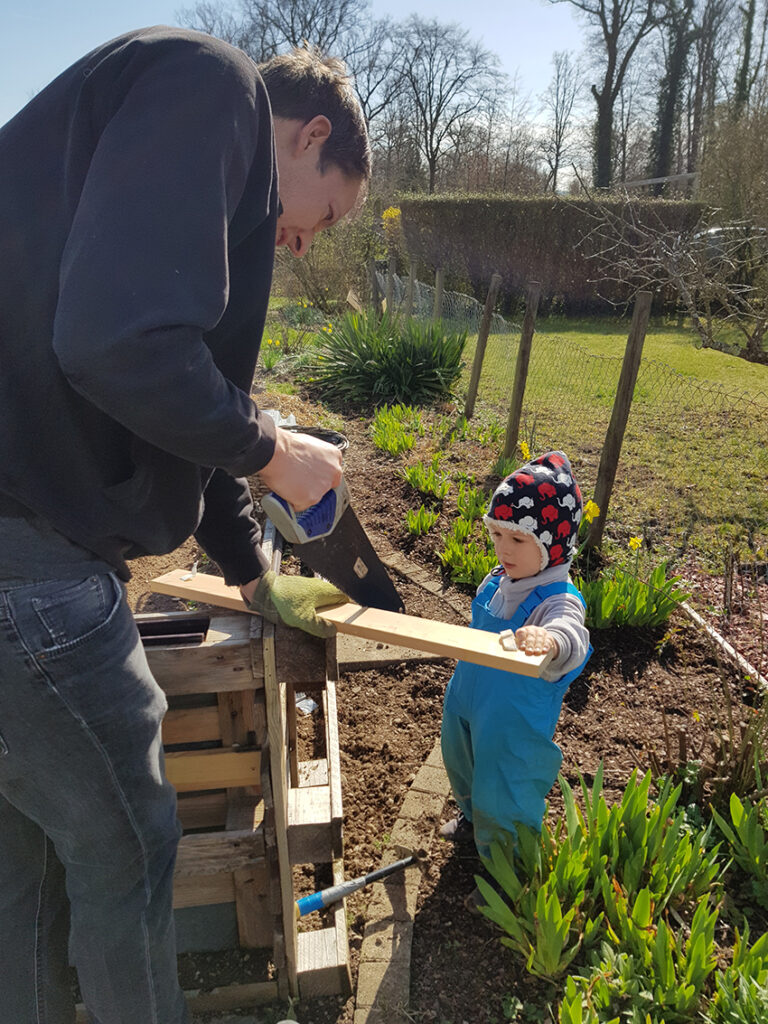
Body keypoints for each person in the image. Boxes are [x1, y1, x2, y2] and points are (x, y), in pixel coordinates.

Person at [0, 25, 369, 1023]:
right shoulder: (214, 88)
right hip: (29, 575)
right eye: (324, 216)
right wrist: (275, 451)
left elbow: (164, 397)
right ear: (310, 135)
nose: (303, 244)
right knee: (130, 847)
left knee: (29, 864)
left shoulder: (165, 173)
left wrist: (253, 568)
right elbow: (118, 346)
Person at [439, 451, 592, 902]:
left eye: (519, 540)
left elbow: (572, 634)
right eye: (497, 534)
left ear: (552, 546)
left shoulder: (556, 600)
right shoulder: (499, 579)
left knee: (505, 789)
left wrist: (550, 641)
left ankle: (508, 875)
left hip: (512, 724)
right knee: (462, 763)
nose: (503, 549)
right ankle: (473, 819)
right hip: (468, 702)